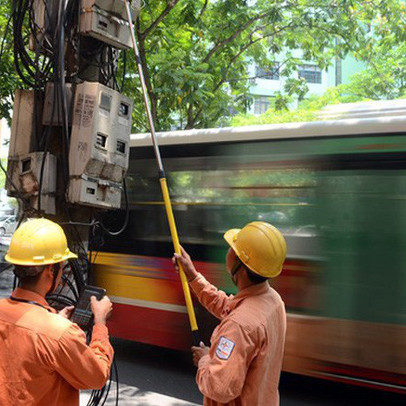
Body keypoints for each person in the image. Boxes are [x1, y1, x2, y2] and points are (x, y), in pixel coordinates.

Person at [0, 218, 114, 406]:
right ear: (50, 271)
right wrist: (100, 324)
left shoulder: (54, 329)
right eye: (62, 267)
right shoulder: (60, 333)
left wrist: (55, 320)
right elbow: (97, 376)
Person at [173, 221, 287, 406]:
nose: (228, 251)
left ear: (240, 265)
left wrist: (204, 360)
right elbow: (227, 306)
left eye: (232, 248)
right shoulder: (273, 301)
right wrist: (192, 276)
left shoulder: (238, 327)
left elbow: (219, 387)